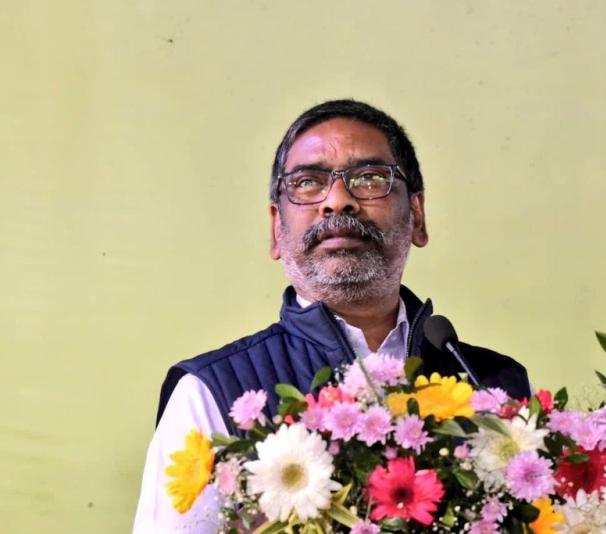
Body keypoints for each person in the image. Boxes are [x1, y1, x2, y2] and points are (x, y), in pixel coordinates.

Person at [133, 99, 531, 532]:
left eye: (370, 178)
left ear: (416, 216)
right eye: (308, 183)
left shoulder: (491, 384)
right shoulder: (210, 392)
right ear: (276, 228)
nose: (338, 201)